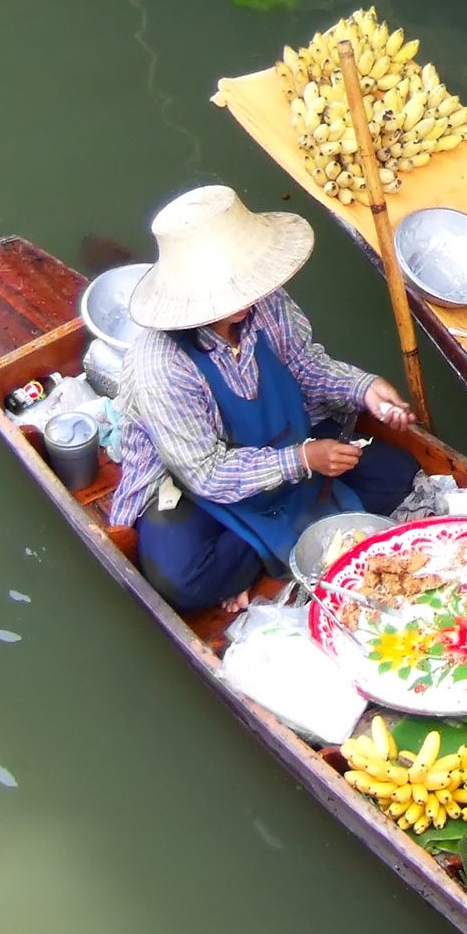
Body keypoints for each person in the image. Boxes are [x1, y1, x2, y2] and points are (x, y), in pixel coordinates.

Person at [108, 185, 421, 613]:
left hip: (284, 443)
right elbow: (205, 473)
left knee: (398, 473)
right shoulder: (161, 364)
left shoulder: (263, 304)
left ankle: (264, 554)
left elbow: (306, 367)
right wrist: (305, 459)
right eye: (229, 293)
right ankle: (279, 545)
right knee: (184, 584)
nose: (245, 301)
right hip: (198, 487)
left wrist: (363, 388)